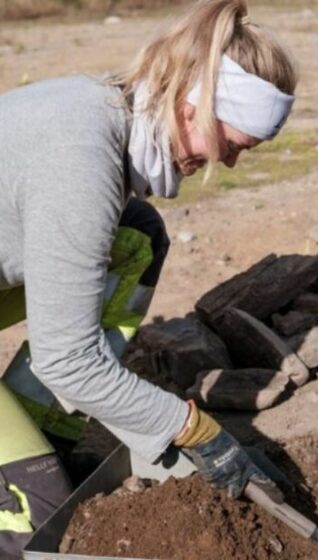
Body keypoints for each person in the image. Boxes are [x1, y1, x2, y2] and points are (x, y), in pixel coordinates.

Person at [0, 0, 297, 556]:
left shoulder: (105, 112)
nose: (228, 164)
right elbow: (68, 357)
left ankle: (44, 429)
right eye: (232, 145)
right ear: (194, 108)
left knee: (135, 234)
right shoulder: (80, 160)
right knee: (30, 516)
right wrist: (195, 429)